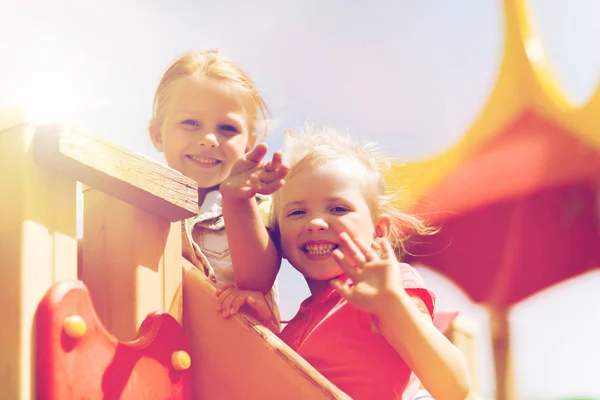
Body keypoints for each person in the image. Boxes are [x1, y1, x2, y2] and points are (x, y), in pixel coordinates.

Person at [216, 127, 471, 399]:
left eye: (338, 208)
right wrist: (264, 329)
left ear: (379, 230)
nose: (315, 223)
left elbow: (453, 386)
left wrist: (393, 305)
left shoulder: (382, 288)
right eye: (297, 212)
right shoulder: (297, 327)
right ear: (279, 238)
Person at [147, 50, 286, 326]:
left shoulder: (257, 203)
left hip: (233, 354)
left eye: (227, 128)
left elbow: (257, 280)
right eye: (190, 123)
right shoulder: (140, 203)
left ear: (249, 143)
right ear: (157, 135)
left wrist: (238, 199)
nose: (209, 139)